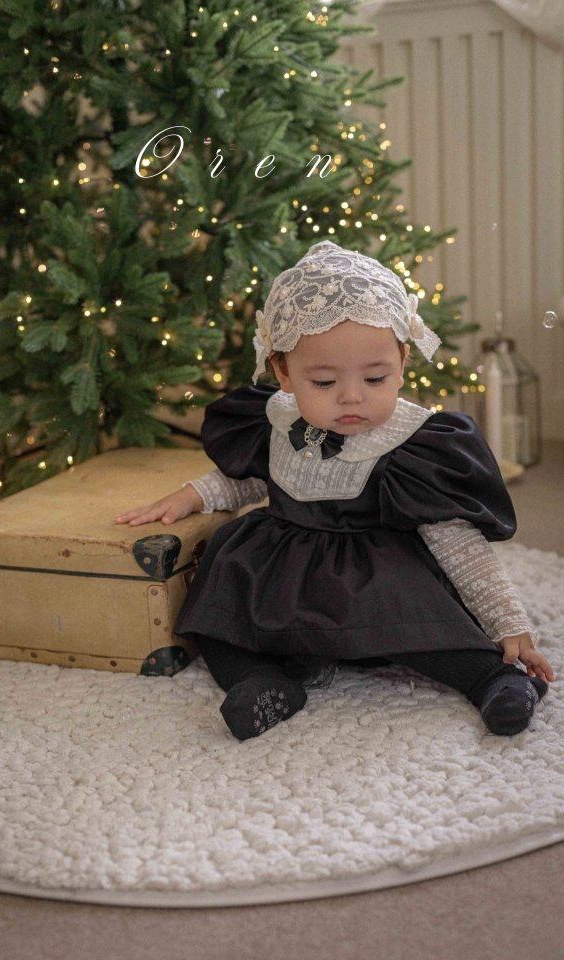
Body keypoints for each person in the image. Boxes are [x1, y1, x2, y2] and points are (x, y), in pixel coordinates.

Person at [115, 240, 555, 742]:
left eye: (375, 378)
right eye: (324, 382)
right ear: (284, 372)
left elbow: (461, 546)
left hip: (374, 576)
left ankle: (491, 678)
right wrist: (193, 495)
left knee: (424, 626)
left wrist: (506, 621)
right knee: (219, 611)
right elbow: (247, 479)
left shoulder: (411, 442)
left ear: (403, 361)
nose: (351, 397)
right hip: (285, 568)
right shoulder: (277, 421)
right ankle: (262, 683)